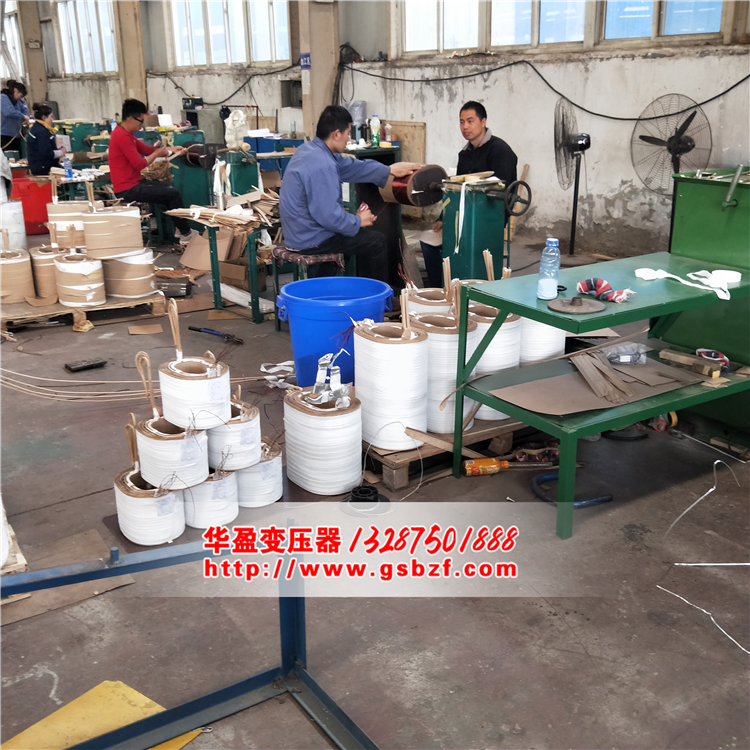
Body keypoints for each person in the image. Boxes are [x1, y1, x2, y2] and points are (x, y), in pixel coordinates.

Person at [279, 105, 419, 283]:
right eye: (347, 133)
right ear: (336, 134)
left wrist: (389, 170)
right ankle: (376, 296)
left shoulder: (310, 150)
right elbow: (328, 216)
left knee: (352, 238)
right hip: (310, 238)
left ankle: (324, 286)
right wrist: (357, 221)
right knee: (375, 241)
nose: (349, 139)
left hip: (298, 233)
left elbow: (351, 167)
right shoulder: (322, 164)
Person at [420, 100, 518, 287]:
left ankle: (472, 288)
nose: (465, 127)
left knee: (466, 247)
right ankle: (441, 289)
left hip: (487, 222)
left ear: (483, 122)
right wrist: (443, 218)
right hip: (462, 218)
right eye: (462, 122)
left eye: (470, 121)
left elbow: (505, 195)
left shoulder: (501, 151)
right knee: (428, 242)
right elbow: (458, 190)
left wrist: (495, 225)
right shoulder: (464, 154)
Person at [109, 98, 194, 243]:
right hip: (127, 189)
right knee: (172, 194)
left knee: (166, 188)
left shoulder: (126, 134)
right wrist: (157, 154)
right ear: (130, 118)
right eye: (141, 121)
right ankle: (185, 233)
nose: (141, 125)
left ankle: (176, 228)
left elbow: (147, 150)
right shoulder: (122, 136)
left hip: (133, 183)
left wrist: (171, 149)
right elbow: (139, 164)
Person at [27, 105, 65, 176]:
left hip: (39, 165)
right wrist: (61, 152)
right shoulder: (41, 132)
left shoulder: (37, 127)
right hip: (43, 167)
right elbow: (46, 153)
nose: (52, 119)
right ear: (44, 117)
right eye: (51, 117)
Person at [1, 80, 30, 151]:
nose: (20, 98)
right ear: (15, 90)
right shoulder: (2, 98)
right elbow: (8, 112)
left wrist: (27, 117)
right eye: (21, 95)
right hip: (5, 134)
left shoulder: (18, 101)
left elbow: (24, 110)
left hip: (16, 135)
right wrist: (23, 116)